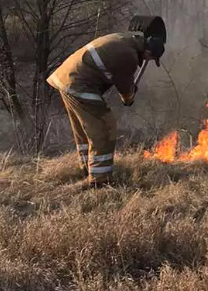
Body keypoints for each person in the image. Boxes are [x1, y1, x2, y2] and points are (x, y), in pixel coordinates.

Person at [47, 32, 165, 188]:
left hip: (66, 78)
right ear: (148, 52)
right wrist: (129, 98)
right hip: (80, 84)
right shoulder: (128, 56)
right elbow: (124, 88)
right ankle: (100, 180)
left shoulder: (125, 39)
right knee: (104, 126)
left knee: (84, 129)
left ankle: (86, 169)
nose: (147, 61)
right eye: (151, 59)